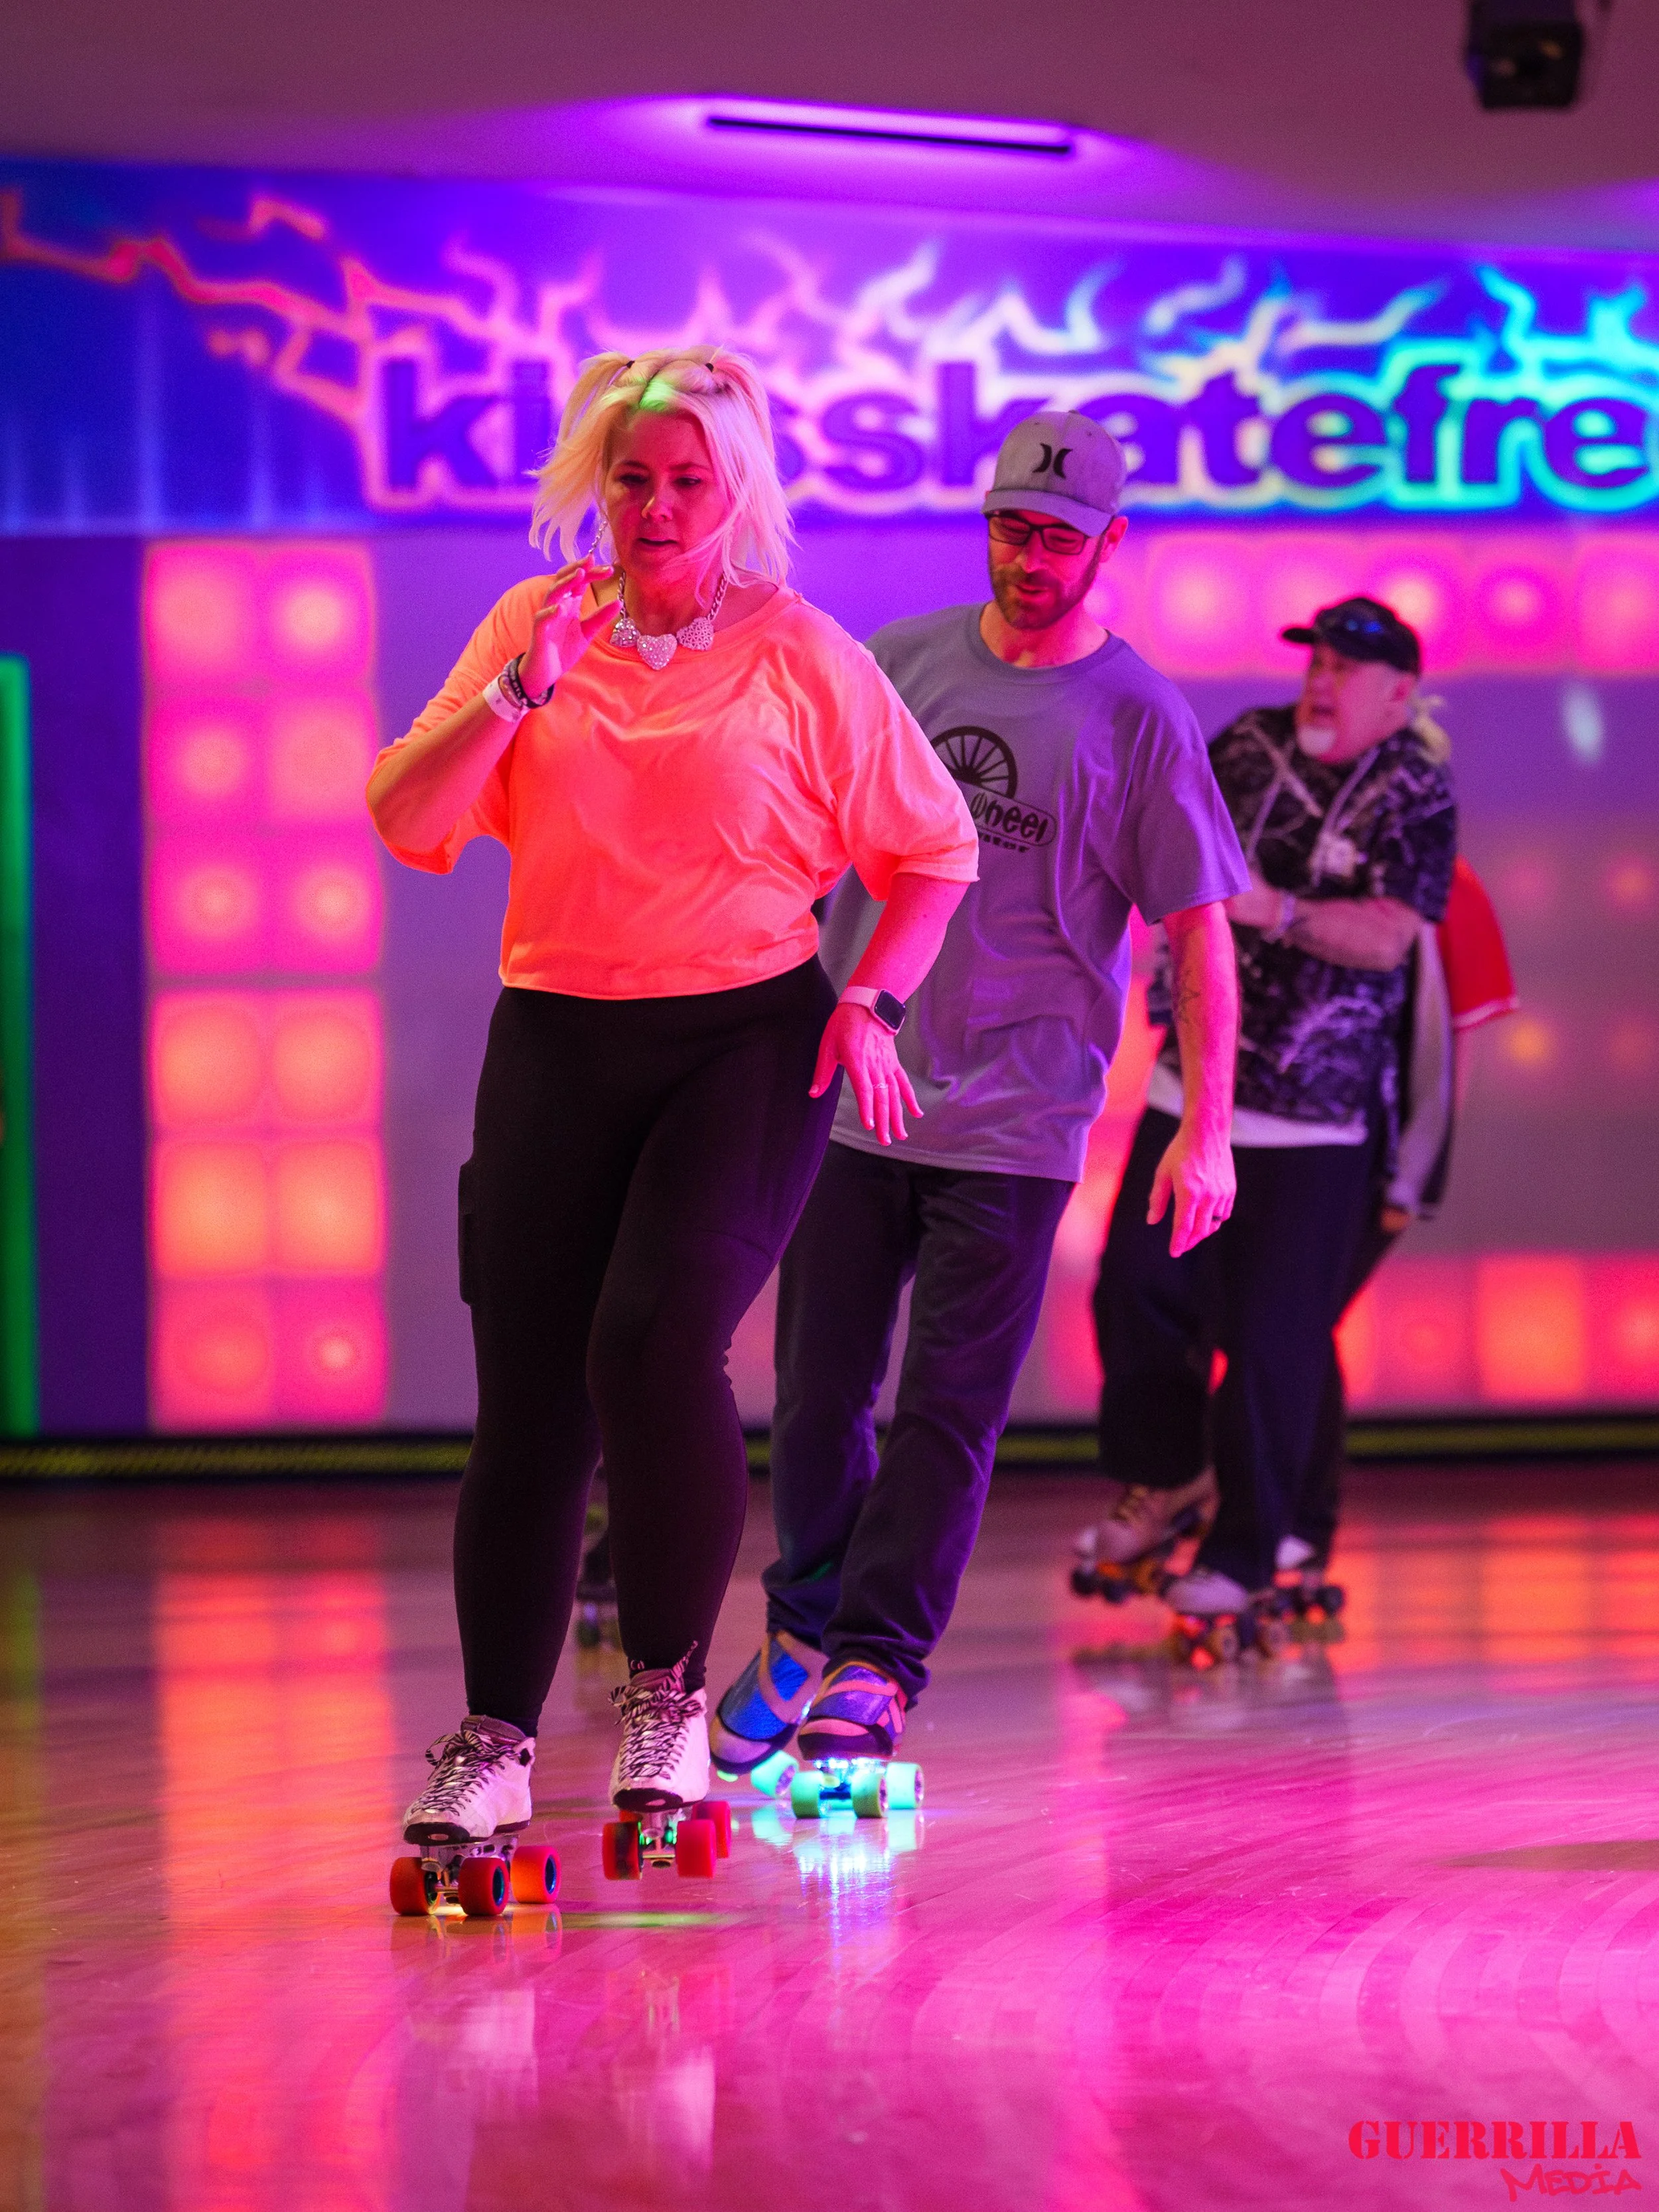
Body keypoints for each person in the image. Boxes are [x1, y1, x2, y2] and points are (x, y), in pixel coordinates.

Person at [366, 346, 977, 1846]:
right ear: (597, 483)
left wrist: (873, 1003)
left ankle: (666, 1701)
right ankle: (493, 1738)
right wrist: (520, 691)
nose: (656, 504)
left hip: (744, 1041)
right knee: (528, 1399)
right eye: (632, 477)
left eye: (688, 480)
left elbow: (933, 850)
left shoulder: (800, 647)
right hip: (559, 1034)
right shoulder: (535, 624)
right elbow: (407, 815)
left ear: (736, 493)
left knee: (648, 1340)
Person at [709, 410, 1248, 1779]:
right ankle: (802, 1626)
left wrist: (1208, 1125)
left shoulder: (1138, 718)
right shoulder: (901, 665)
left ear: (1106, 544)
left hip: (1015, 1117)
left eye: (1058, 535)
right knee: (819, 1385)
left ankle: (877, 1666)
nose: (1029, 554)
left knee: (948, 1402)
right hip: (858, 1089)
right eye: (1011, 525)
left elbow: (1197, 934)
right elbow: (798, 836)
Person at [1084, 595, 1457, 1621]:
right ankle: (1163, 1477)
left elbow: (1390, 935)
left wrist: (1273, 909)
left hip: (1319, 1117)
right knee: (1134, 1291)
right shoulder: (1245, 745)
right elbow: (1164, 843)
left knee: (1272, 1341)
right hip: (1195, 1085)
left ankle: (1251, 1551)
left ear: (1400, 697)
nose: (1322, 681)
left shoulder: (1414, 785)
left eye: (1347, 668)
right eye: (1317, 661)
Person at [1281, 855, 1517, 1586]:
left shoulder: (1446, 880)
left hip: (1376, 1150)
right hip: (1280, 1135)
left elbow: (1453, 1041)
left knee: (1297, 1321)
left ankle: (1299, 1524)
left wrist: (1412, 1173)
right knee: (1264, 1319)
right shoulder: (1296, 863)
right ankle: (1242, 1501)